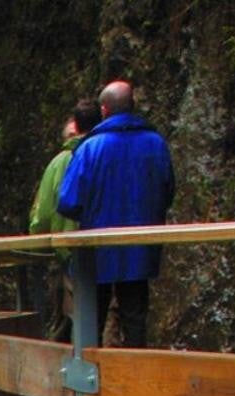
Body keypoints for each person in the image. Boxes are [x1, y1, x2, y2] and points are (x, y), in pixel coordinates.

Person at [57, 81, 174, 347]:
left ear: (104, 110)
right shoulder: (155, 143)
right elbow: (167, 191)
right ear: (132, 106)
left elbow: (68, 201)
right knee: (135, 317)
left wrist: (92, 214)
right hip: (140, 245)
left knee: (92, 320)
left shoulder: (90, 148)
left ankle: (92, 382)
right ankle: (137, 379)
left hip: (96, 247)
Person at [29, 99, 101, 340]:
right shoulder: (106, 153)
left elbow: (44, 213)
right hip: (110, 248)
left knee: (71, 315)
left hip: (69, 247)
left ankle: (74, 367)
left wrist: (39, 239)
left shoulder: (61, 162)